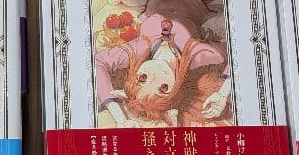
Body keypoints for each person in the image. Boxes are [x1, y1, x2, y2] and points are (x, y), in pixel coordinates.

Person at [95, 11, 233, 127]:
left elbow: (98, 60)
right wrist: (222, 94)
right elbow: (234, 50)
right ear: (175, 90)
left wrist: (118, 116)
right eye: (163, 87)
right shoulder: (196, 56)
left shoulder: (140, 48)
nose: (156, 75)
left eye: (143, 78)